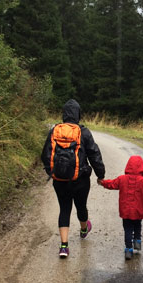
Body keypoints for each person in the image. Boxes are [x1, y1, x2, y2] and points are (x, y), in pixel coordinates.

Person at [41, 99, 105, 258]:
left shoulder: (54, 130)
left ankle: (64, 246)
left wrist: (53, 171)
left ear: (64, 114)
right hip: (80, 179)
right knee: (81, 206)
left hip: (59, 180)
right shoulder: (83, 132)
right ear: (78, 114)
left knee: (64, 208)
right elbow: (94, 155)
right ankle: (84, 229)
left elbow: (45, 155)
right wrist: (100, 175)